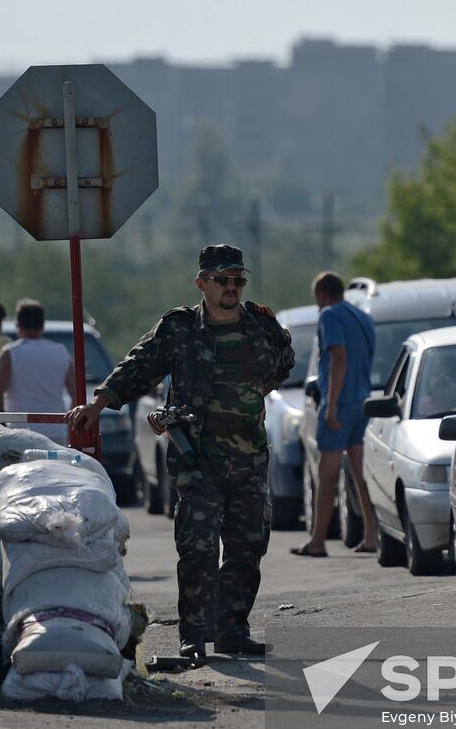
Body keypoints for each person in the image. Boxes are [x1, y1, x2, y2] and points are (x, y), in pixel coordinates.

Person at [68, 245, 294, 659]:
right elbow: (137, 366)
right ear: (202, 283)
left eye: (238, 280)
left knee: (247, 547)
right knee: (198, 547)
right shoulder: (180, 329)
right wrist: (98, 405)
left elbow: (284, 362)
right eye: (222, 280)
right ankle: (194, 636)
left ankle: (233, 631)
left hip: (249, 458)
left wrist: (250, 396)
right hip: (198, 459)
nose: (231, 288)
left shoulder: (261, 326)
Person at [294, 271, 378, 557]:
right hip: (362, 402)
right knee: (360, 472)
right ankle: (371, 535)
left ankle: (317, 542)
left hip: (339, 405)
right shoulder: (363, 316)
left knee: (326, 474)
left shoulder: (329, 315)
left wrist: (330, 407)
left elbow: (338, 357)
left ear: (322, 295)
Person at [0, 299, 76, 443]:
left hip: (20, 434)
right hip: (56, 433)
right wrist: (69, 429)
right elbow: (77, 396)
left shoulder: (10, 353)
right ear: (43, 325)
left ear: (18, 326)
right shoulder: (61, 352)